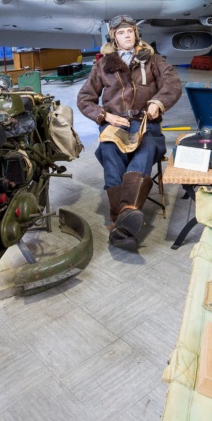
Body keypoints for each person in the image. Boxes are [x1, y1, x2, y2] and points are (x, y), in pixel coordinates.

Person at [77, 15, 181, 251]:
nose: (127, 36)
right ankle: (125, 217)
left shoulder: (153, 59)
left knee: (145, 150)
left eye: (130, 32)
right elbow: (84, 98)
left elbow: (172, 82)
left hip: (146, 124)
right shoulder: (103, 65)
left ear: (136, 34)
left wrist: (157, 102)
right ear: (114, 37)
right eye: (122, 33)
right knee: (108, 151)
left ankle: (120, 225)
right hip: (116, 126)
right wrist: (105, 116)